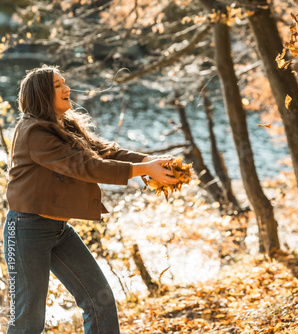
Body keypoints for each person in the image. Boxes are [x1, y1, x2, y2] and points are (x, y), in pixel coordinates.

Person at [3, 65, 179, 333]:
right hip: (26, 230)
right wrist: (144, 170)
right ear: (41, 94)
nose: (67, 88)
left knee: (100, 301)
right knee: (28, 322)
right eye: (58, 85)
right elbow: (86, 167)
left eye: (65, 82)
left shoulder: (63, 125)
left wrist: (147, 161)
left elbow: (103, 153)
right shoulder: (34, 133)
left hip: (59, 230)